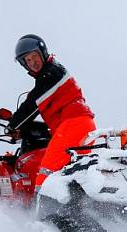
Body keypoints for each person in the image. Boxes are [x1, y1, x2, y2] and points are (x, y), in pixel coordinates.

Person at [8, 34, 96, 193]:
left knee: (47, 173)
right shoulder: (49, 74)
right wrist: (25, 129)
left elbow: (32, 104)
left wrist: (13, 124)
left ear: (42, 53)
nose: (32, 62)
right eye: (27, 60)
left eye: (34, 56)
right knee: (73, 174)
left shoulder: (51, 73)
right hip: (79, 125)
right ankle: (76, 212)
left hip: (73, 124)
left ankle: (41, 215)